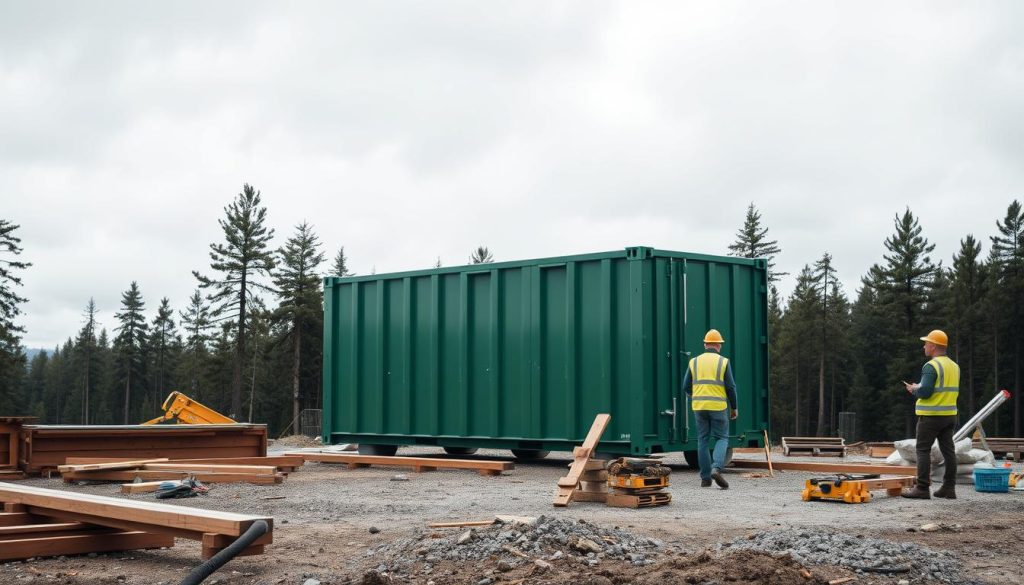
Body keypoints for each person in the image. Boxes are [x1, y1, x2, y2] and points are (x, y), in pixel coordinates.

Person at [902, 329, 960, 500]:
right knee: (949, 451)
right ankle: (949, 488)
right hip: (949, 415)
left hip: (931, 416)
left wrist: (914, 390)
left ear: (933, 346)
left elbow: (926, 392)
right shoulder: (954, 366)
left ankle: (922, 488)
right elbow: (940, 388)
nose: (924, 346)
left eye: (926, 343)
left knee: (922, 450)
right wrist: (920, 386)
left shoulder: (931, 366)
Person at [682, 329, 738, 489]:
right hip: (718, 406)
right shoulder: (723, 362)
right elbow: (731, 387)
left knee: (702, 441)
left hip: (699, 407)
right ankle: (716, 468)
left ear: (705, 344)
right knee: (722, 438)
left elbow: (685, 385)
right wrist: (734, 407)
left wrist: (695, 396)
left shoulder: (694, 362)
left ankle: (705, 478)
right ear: (719, 345)